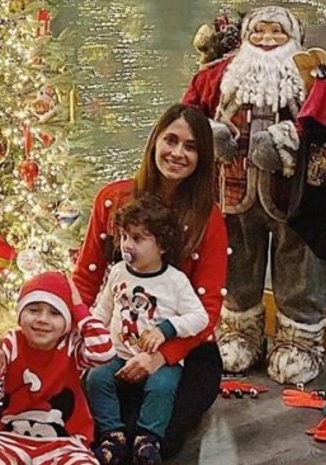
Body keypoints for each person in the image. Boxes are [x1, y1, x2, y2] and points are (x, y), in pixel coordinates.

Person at [182, 5, 326, 385]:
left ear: (293, 38)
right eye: (259, 32)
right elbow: (188, 113)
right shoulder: (218, 76)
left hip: (295, 200)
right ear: (245, 36)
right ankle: (238, 333)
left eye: (276, 33)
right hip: (233, 196)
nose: (266, 40)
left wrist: (289, 138)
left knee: (300, 268)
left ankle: (300, 341)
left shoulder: (314, 78)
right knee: (235, 264)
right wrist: (209, 133)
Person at [72, 104, 229, 457]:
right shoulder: (113, 200)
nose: (177, 153)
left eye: (190, 147)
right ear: (154, 141)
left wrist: (162, 357)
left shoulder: (209, 221)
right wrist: (80, 341)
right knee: (98, 430)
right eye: (170, 140)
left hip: (184, 350)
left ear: (202, 158)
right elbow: (85, 279)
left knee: (154, 441)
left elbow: (207, 311)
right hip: (117, 348)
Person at [86, 196, 210, 464]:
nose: (127, 245)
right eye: (125, 237)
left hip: (161, 362)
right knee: (96, 379)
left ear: (162, 245)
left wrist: (167, 330)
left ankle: (148, 438)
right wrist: (92, 335)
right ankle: (112, 436)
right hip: (118, 355)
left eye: (138, 239)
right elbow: (103, 309)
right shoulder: (118, 272)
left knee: (162, 386)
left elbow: (200, 317)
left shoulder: (175, 281)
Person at [0, 272, 115, 464]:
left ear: (68, 320)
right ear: (20, 315)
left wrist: (80, 309)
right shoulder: (12, 342)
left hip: (65, 442)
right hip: (11, 437)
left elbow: (104, 352)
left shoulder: (72, 347)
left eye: (55, 313)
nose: (43, 319)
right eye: (33, 310)